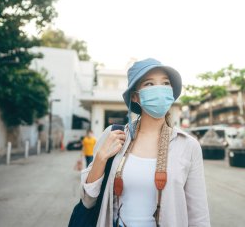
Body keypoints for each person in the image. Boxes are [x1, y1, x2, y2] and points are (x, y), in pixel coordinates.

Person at [79, 58, 210, 226]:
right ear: (135, 97)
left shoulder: (188, 146)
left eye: (165, 83)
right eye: (149, 84)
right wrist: (100, 159)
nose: (159, 89)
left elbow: (198, 215)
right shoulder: (113, 136)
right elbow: (88, 200)